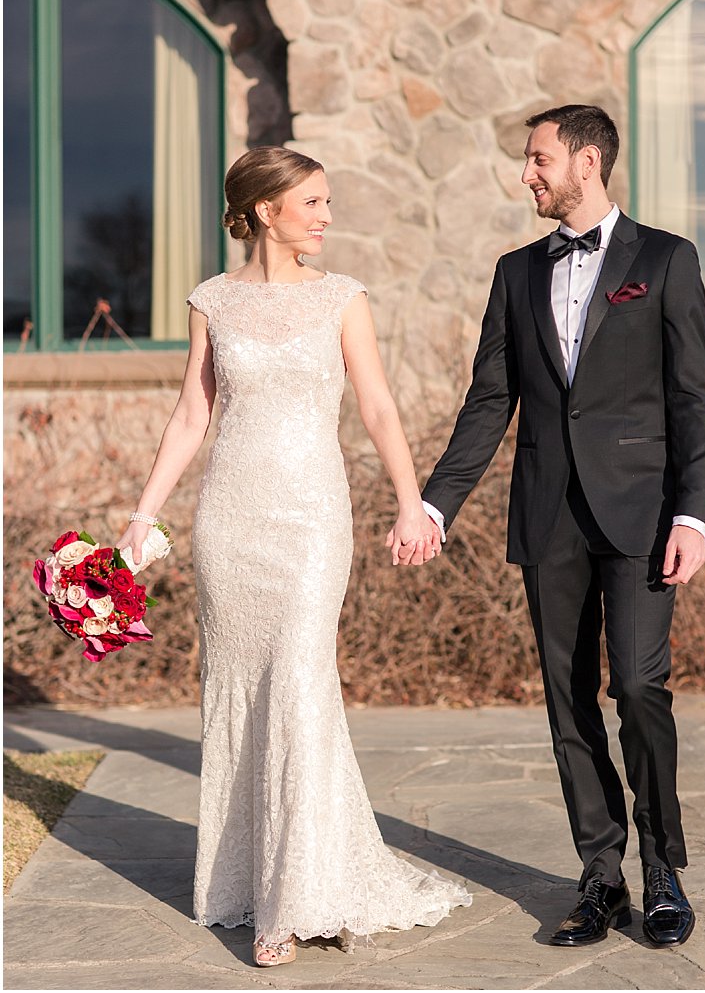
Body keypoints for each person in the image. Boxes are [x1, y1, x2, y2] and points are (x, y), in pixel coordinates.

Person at [118, 147, 470, 969]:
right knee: (240, 691)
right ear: (266, 209)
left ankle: (291, 899)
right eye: (311, 201)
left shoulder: (343, 298)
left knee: (301, 682)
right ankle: (251, 879)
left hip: (314, 518)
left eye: (327, 201)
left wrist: (411, 498)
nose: (326, 215)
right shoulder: (213, 301)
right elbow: (189, 417)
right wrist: (144, 513)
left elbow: (378, 405)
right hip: (230, 522)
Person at [415, 106, 705, 948]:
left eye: (538, 159)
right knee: (566, 698)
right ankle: (600, 874)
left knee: (639, 687)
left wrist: (695, 511)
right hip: (548, 514)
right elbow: (489, 403)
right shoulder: (514, 272)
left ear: (587, 162)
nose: (527, 174)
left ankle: (661, 868)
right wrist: (437, 502)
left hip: (644, 515)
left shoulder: (666, 259)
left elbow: (694, 399)